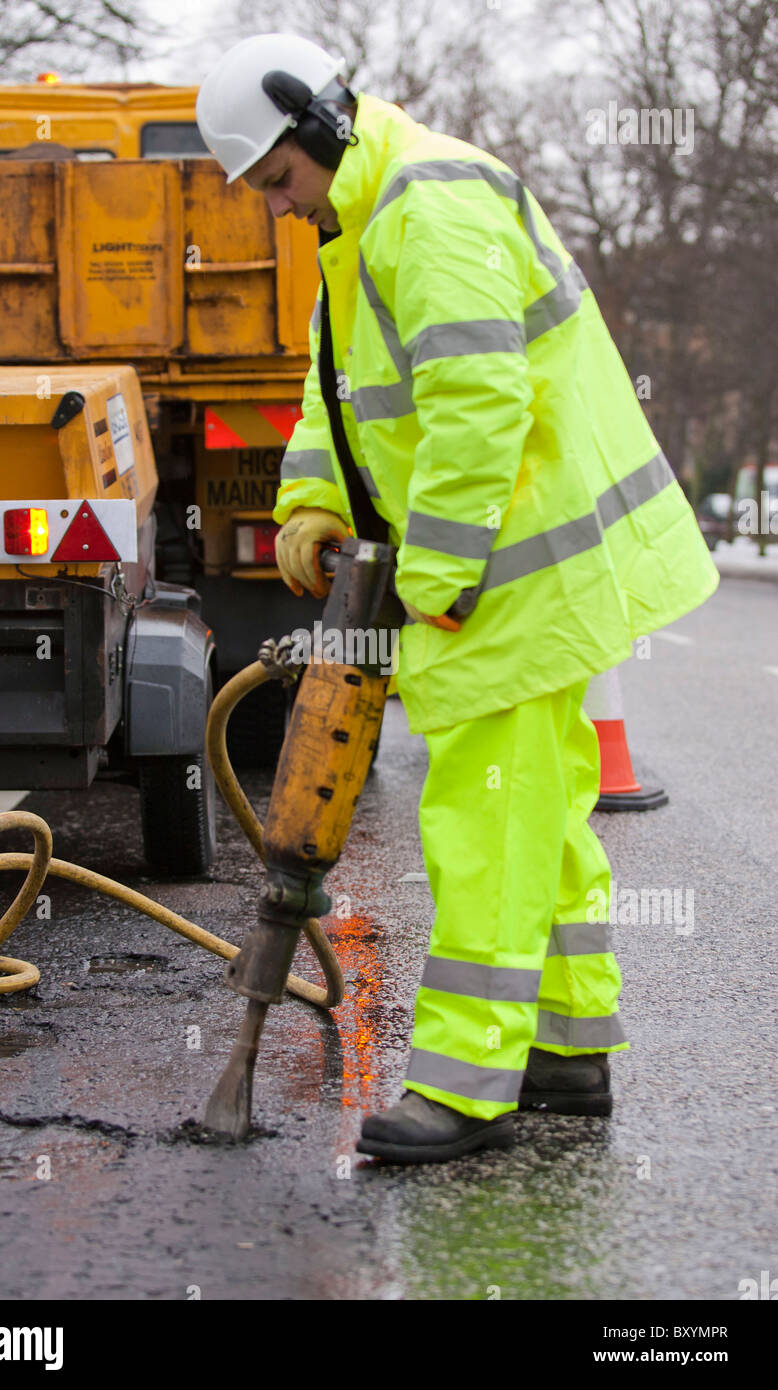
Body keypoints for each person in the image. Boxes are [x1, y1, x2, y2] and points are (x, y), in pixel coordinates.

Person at [195, 33, 719, 1163]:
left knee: (481, 827)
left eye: (278, 181)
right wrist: (307, 504)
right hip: (502, 583)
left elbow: (478, 407)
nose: (277, 209)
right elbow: (337, 395)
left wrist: (426, 584)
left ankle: (464, 1087)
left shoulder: (432, 209)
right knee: (540, 822)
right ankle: (566, 1056)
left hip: (510, 581)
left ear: (321, 127)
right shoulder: (359, 226)